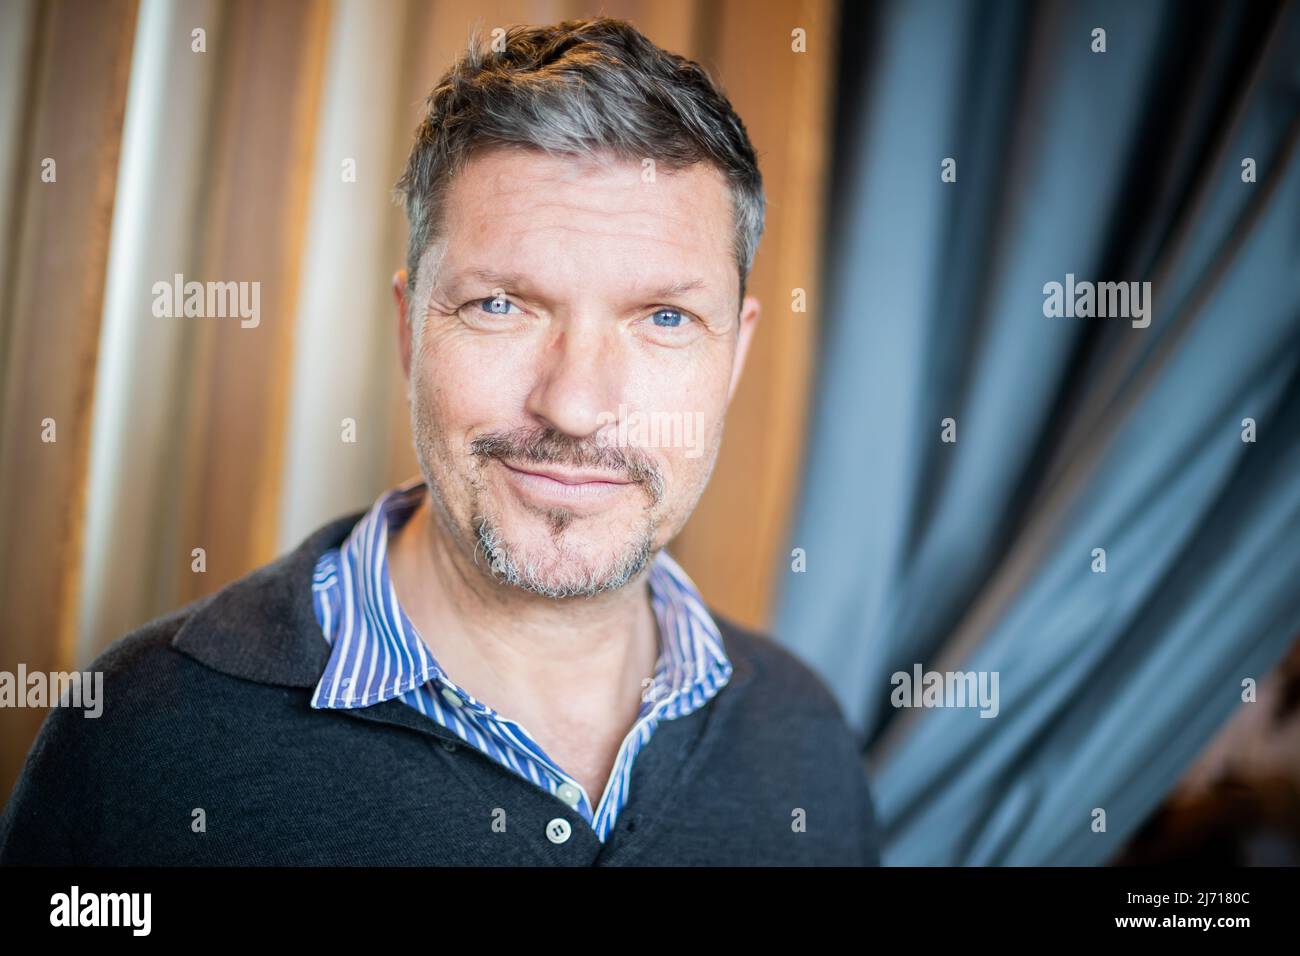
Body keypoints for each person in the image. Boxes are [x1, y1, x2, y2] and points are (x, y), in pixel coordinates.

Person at [0, 16, 881, 866]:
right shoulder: (144, 739)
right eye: (500, 305)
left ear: (735, 356)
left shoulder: (803, 743)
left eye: (665, 318)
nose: (575, 406)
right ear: (410, 329)